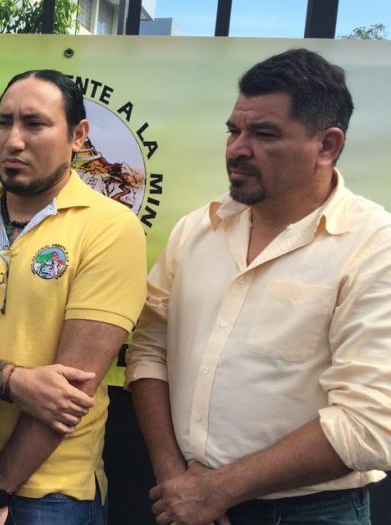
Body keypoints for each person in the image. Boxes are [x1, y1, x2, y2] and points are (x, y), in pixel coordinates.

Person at [127, 48, 391, 525]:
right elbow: (149, 347)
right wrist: (176, 481)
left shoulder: (373, 247)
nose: (237, 149)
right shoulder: (196, 230)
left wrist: (218, 490)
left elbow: (371, 423)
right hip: (181, 500)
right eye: (234, 130)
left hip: (310, 512)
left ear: (327, 145)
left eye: (264, 134)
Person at [0, 70, 147, 524]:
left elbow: (68, 394)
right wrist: (11, 380)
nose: (13, 141)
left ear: (78, 136)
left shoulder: (112, 228)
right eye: (4, 122)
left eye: (34, 124)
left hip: (50, 493)